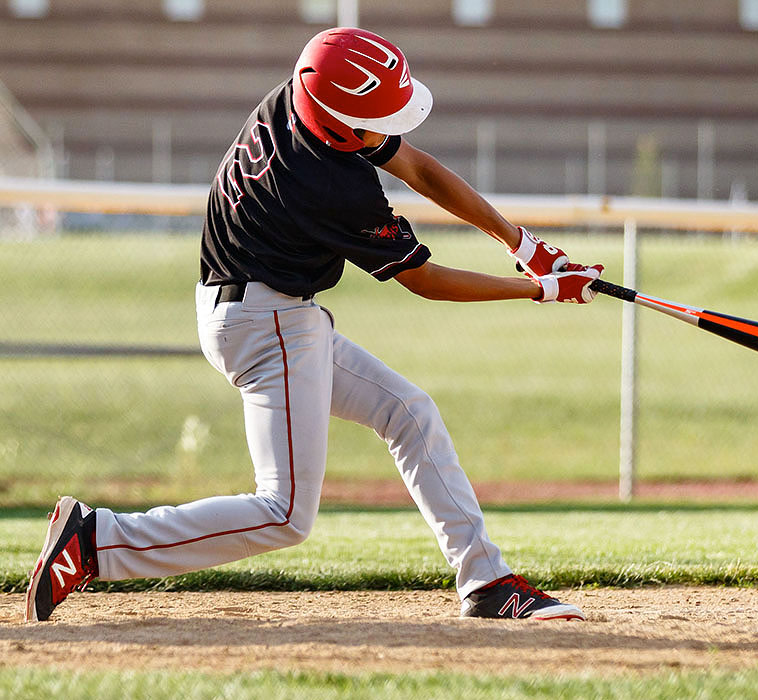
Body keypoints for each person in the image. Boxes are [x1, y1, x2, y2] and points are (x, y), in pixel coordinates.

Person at [25, 27, 604, 623]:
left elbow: (421, 171)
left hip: (258, 309)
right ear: (340, 122)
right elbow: (423, 279)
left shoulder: (300, 101)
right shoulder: (328, 182)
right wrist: (539, 289)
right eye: (380, 117)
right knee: (285, 513)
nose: (395, 128)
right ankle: (96, 541)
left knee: (409, 413)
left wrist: (522, 243)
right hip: (268, 320)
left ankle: (487, 582)